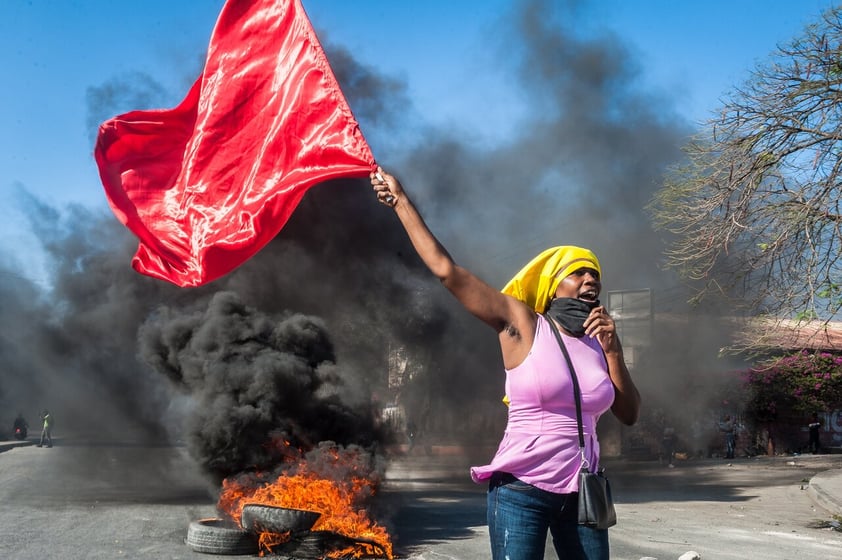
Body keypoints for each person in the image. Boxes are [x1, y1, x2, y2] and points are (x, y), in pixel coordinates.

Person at [371, 168, 641, 560]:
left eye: (595, 274)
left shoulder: (600, 342)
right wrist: (400, 202)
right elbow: (448, 272)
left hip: (583, 491)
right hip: (521, 490)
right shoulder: (524, 324)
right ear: (553, 283)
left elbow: (629, 413)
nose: (590, 279)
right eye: (578, 272)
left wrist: (614, 351)